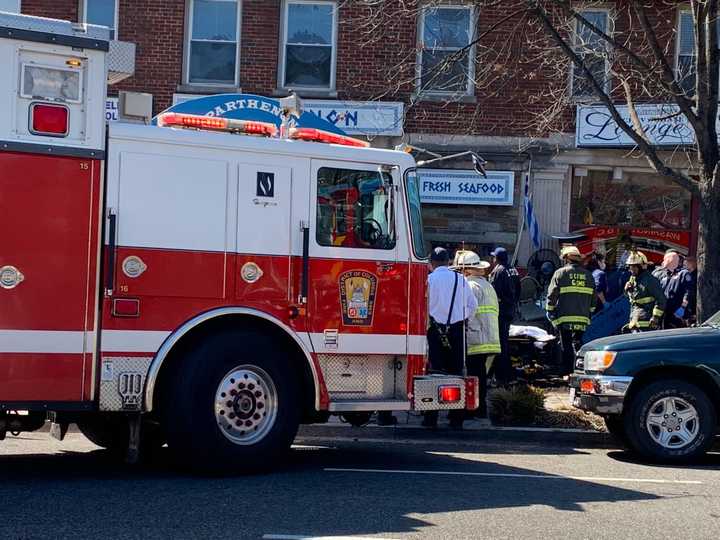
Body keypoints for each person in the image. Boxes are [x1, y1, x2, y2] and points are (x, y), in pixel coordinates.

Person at [424, 247, 477, 429]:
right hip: (456, 332)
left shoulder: (429, 280)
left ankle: (430, 419)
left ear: (431, 263)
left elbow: (421, 307)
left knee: (434, 373)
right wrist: (462, 319)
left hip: (434, 332)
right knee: (457, 373)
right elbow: (472, 305)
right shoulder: (461, 280)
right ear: (448, 262)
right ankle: (456, 419)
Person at [452, 250, 500, 419]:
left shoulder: (470, 285)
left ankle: (473, 410)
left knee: (473, 376)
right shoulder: (487, 285)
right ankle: (480, 409)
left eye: (460, 270)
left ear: (467, 270)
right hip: (490, 338)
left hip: (476, 338)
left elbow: (467, 313)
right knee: (480, 376)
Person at [546, 246, 595, 376]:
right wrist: (588, 313)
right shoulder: (589, 275)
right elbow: (593, 299)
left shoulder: (560, 273)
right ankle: (580, 370)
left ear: (567, 258)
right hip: (583, 318)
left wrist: (550, 312)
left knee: (565, 345)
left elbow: (552, 295)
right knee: (578, 345)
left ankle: (567, 371)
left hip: (565, 317)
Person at [488, 246, 520, 384]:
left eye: (493, 257)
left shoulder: (498, 271)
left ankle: (502, 376)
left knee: (500, 345)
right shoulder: (513, 269)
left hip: (500, 312)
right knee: (504, 342)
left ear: (496, 258)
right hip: (510, 310)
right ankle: (506, 375)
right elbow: (519, 289)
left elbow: (493, 293)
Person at [624, 251, 666, 332]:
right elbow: (634, 300)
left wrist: (655, 317)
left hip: (647, 324)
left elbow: (661, 299)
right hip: (635, 321)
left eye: (633, 266)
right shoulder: (633, 279)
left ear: (641, 266)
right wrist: (627, 291)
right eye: (629, 266)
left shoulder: (650, 280)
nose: (631, 269)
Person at [652, 250, 692, 329]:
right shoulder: (666, 275)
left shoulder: (684, 274)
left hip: (676, 314)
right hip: (664, 313)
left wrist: (682, 308)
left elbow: (688, 292)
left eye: (665, 260)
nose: (663, 262)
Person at [682, 255, 698, 325]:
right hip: (690, 309)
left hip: (692, 310)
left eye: (685, 264)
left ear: (691, 264)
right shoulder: (690, 275)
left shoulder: (693, 276)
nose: (684, 266)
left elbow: (689, 293)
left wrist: (681, 310)